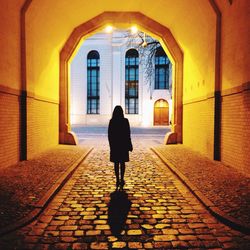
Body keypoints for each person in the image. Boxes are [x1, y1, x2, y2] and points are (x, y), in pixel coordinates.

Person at [108, 106, 133, 189]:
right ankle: (122, 178)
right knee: (122, 163)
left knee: (116, 163)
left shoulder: (112, 121)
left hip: (115, 145)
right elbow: (128, 134)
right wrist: (129, 144)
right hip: (123, 145)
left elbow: (110, 135)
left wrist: (111, 145)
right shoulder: (125, 121)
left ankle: (117, 179)